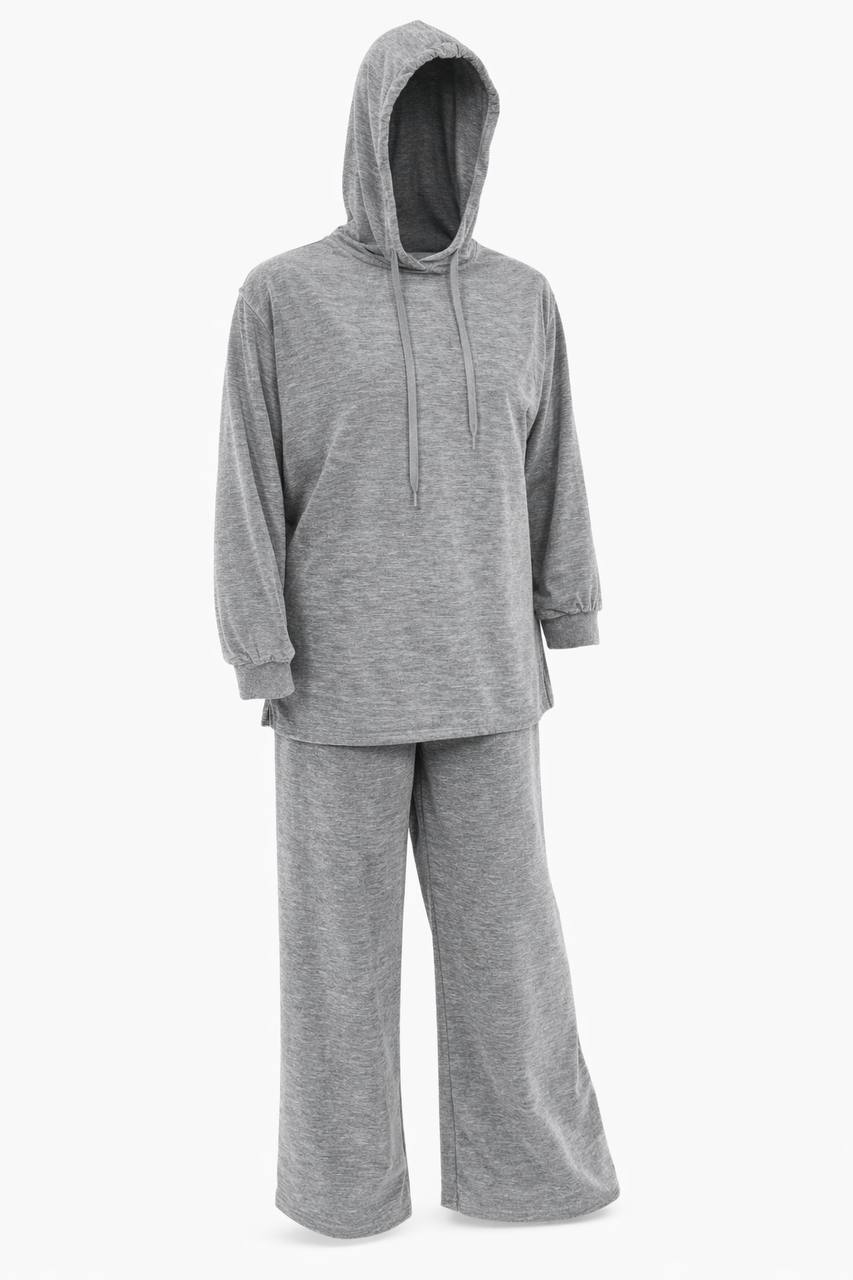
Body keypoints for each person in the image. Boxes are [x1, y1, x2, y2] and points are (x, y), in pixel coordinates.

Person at [215, 18, 619, 1239]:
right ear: (367, 135)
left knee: (510, 950)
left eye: (447, 127)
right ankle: (343, 1193)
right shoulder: (282, 297)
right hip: (333, 689)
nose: (429, 150)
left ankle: (533, 1171)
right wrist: (259, 645)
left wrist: (566, 604)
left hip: (490, 675)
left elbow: (553, 471)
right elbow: (245, 486)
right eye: (410, 126)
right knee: (334, 966)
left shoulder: (521, 298)